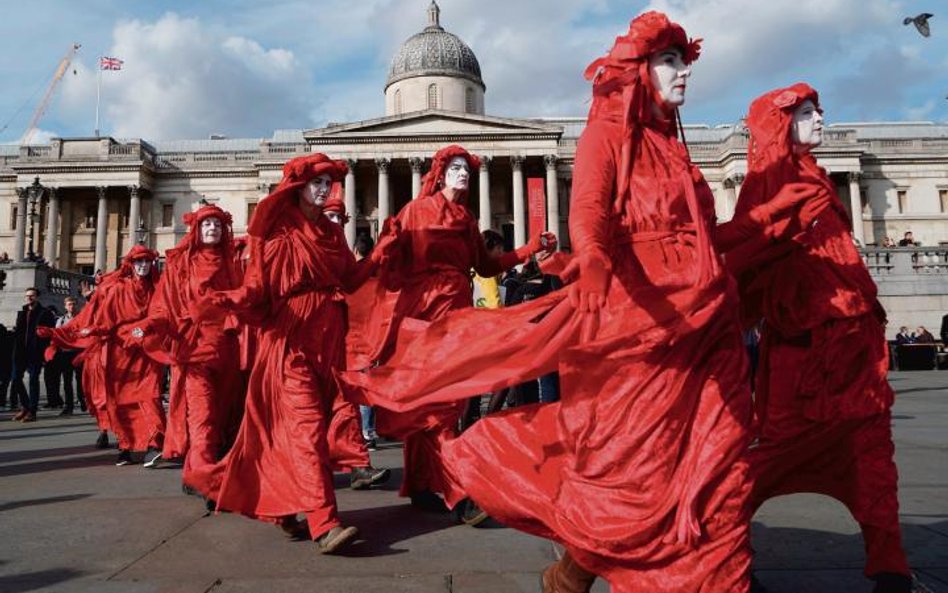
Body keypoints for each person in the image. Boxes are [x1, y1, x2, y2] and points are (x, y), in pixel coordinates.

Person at [340, 12, 754, 591]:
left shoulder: (677, 152)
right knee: (631, 451)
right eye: (667, 62)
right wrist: (593, 256)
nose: (682, 73)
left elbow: (490, 263)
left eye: (684, 62)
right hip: (635, 314)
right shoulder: (603, 140)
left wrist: (534, 246)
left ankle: (716, 568)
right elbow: (588, 209)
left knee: (723, 447)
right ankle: (562, 545)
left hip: (705, 316)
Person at [727, 83, 911, 593]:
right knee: (762, 465)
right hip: (804, 354)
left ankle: (891, 567)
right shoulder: (768, 183)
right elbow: (747, 259)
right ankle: (728, 560)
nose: (821, 119)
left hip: (855, 351)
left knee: (875, 460)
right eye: (806, 113)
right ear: (780, 123)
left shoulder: (818, 177)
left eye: (818, 111)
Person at [190, 153, 394, 554]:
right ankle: (324, 522)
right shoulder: (275, 232)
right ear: (297, 186)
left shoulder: (333, 236)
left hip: (328, 342)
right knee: (307, 429)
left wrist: (380, 250)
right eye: (317, 182)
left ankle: (282, 511)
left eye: (329, 184)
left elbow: (350, 280)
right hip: (290, 342)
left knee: (299, 431)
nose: (324, 190)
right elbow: (257, 289)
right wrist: (225, 299)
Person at [351, 144, 556, 523]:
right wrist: (387, 246)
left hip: (458, 312)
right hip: (423, 316)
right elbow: (392, 264)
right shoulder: (415, 211)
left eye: (467, 168)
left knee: (444, 403)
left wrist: (529, 248)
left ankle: (420, 484)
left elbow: (487, 266)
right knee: (438, 408)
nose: (463, 174)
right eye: (456, 168)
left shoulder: (466, 217)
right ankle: (462, 491)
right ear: (440, 174)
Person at [131, 203, 245, 475]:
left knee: (223, 410)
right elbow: (164, 305)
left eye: (217, 225)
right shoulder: (181, 264)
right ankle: (204, 473)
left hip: (227, 348)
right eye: (207, 224)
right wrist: (148, 324)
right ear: (196, 229)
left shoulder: (232, 263)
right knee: (201, 411)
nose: (213, 229)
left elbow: (245, 297)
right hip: (194, 349)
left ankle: (200, 468)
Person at [41, 246, 166, 465]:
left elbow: (163, 313)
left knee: (150, 396)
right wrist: (64, 333)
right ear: (131, 264)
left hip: (146, 351)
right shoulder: (118, 289)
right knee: (121, 401)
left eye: (147, 261)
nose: (143, 266)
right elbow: (96, 317)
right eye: (139, 262)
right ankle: (127, 446)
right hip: (120, 352)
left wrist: (144, 327)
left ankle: (156, 442)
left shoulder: (158, 288)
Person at [11, 287, 55, 422]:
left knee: (33, 381)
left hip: (35, 352)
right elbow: (18, 332)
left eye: (32, 295)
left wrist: (46, 352)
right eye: (27, 296)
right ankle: (26, 406)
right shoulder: (22, 312)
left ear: (37, 297)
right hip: (20, 352)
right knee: (16, 379)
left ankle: (32, 412)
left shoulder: (45, 313)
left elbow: (50, 334)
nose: (29, 298)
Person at [50, 297, 85, 416]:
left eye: (74, 304)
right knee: (67, 381)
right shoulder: (60, 321)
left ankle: (82, 399)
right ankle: (68, 405)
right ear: (65, 306)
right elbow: (57, 337)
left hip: (79, 352)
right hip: (65, 353)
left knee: (81, 379)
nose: (72, 306)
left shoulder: (82, 319)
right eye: (69, 304)